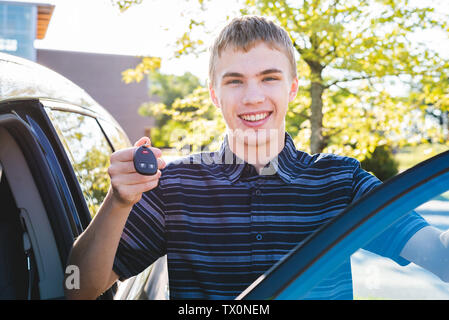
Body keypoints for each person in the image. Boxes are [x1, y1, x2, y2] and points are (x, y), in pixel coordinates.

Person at [65, 15, 449, 300]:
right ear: (215, 94)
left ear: (293, 88)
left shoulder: (341, 181)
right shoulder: (174, 185)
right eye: (234, 81)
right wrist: (118, 202)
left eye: (269, 77)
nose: (252, 97)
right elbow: (76, 287)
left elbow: (437, 253)